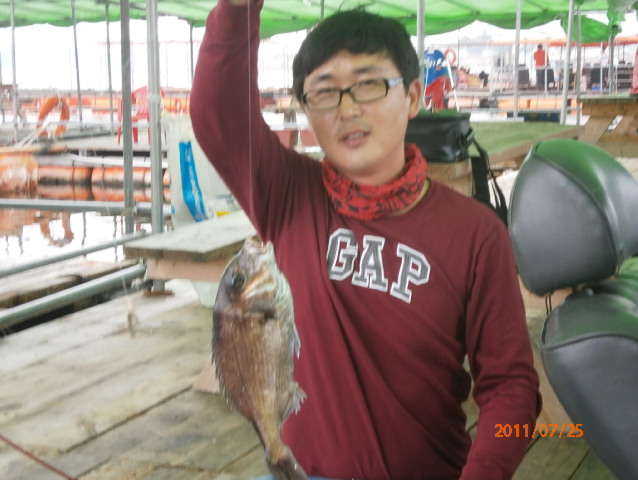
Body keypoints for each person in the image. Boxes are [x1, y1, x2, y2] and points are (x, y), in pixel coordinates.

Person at [190, 1, 542, 479]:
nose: (347, 109)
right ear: (305, 110)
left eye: (369, 84)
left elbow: (511, 389)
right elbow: (218, 112)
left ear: (413, 97)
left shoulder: (477, 234)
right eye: (324, 92)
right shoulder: (285, 192)